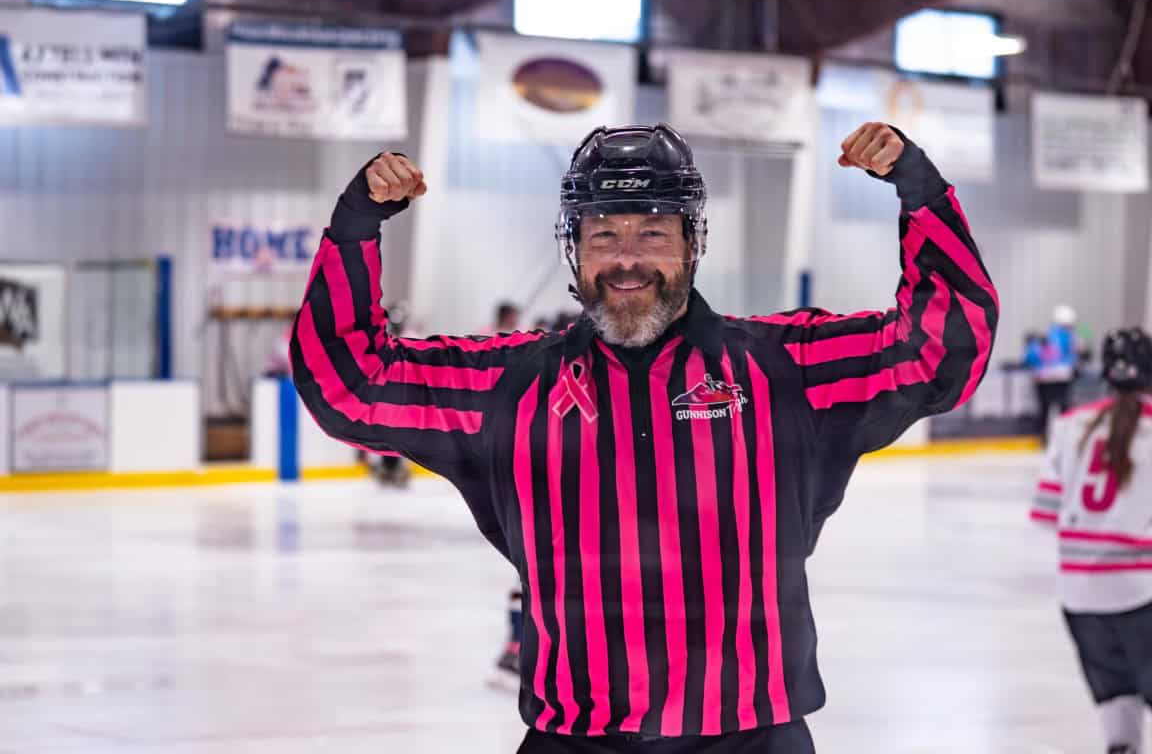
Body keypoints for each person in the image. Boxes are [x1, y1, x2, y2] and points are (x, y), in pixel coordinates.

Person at [291, 122, 999, 752]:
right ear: (576, 250)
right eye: (604, 235)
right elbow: (346, 381)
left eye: (652, 233)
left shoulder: (787, 370)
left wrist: (919, 188)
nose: (627, 257)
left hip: (752, 738)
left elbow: (942, 351)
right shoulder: (509, 387)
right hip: (576, 739)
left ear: (692, 245)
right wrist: (357, 224)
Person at [1031, 327, 1152, 754]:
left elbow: (1045, 514)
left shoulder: (1069, 426)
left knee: (1118, 704)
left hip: (1079, 599)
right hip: (1141, 595)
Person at [1026, 305, 1080, 441]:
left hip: (1043, 379)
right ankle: (1063, 438)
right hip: (1061, 378)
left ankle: (1043, 438)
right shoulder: (1069, 337)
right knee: (1064, 411)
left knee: (1044, 410)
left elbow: (1030, 358)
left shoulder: (1043, 335)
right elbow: (1073, 358)